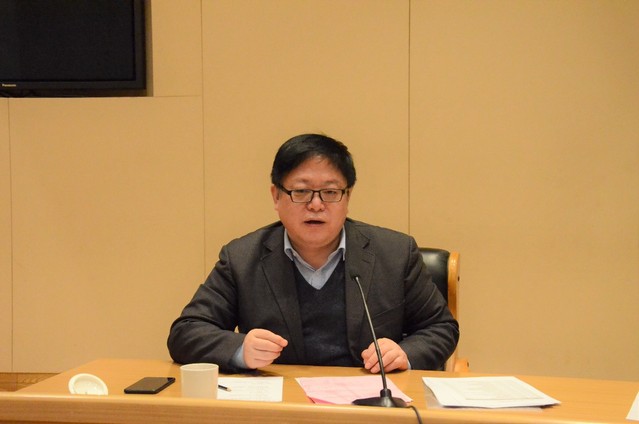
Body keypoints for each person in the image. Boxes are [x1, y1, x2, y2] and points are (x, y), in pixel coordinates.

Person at [167, 133, 459, 374]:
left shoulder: (395, 253)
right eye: (301, 191)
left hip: (368, 406)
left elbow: (439, 327)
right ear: (276, 197)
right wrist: (240, 349)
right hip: (282, 408)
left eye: (330, 192)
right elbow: (186, 332)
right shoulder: (242, 258)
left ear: (347, 197)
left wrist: (405, 354)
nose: (316, 205)